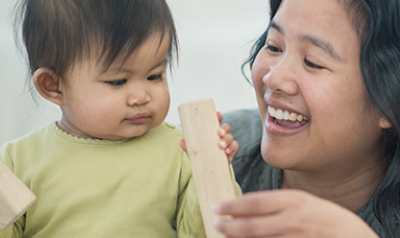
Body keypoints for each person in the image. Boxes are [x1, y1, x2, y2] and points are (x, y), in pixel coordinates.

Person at [0, 0, 239, 237]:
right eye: (118, 81)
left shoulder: (182, 151)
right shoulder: (16, 161)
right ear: (53, 86)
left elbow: (207, 232)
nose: (142, 96)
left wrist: (212, 168)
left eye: (155, 76)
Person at [215, 0, 400, 237]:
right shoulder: (210, 153)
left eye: (312, 62)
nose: (274, 78)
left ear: (388, 102)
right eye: (273, 47)